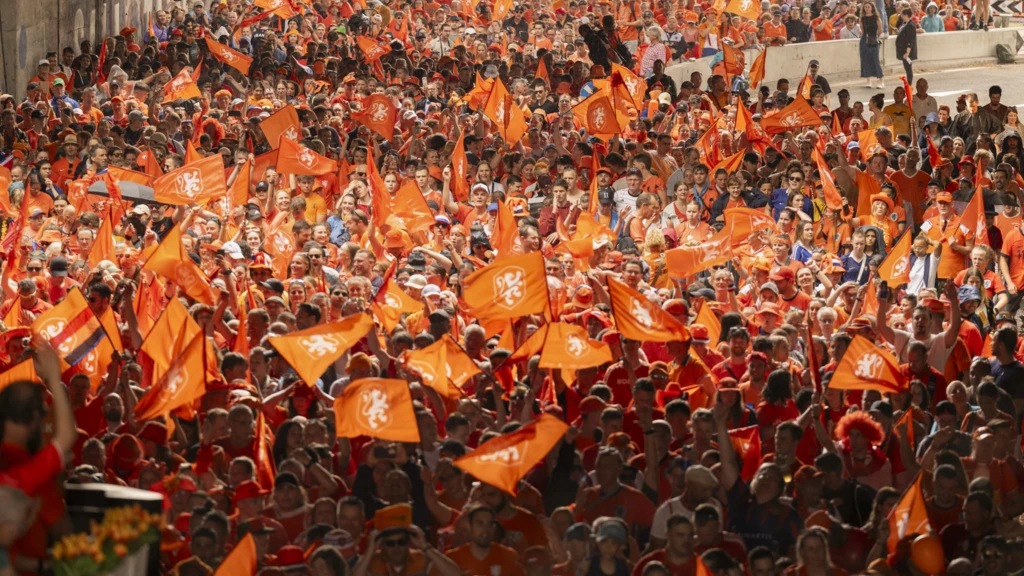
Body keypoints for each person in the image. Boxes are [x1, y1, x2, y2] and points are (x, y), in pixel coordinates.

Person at [859, 1, 884, 88]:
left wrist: (875, 37)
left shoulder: (876, 18)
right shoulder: (862, 18)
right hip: (864, 41)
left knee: (876, 61)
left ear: (872, 8)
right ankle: (868, 81)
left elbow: (880, 30)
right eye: (865, 7)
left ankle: (881, 81)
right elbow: (862, 31)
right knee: (865, 61)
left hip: (874, 40)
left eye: (868, 7)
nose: (867, 8)